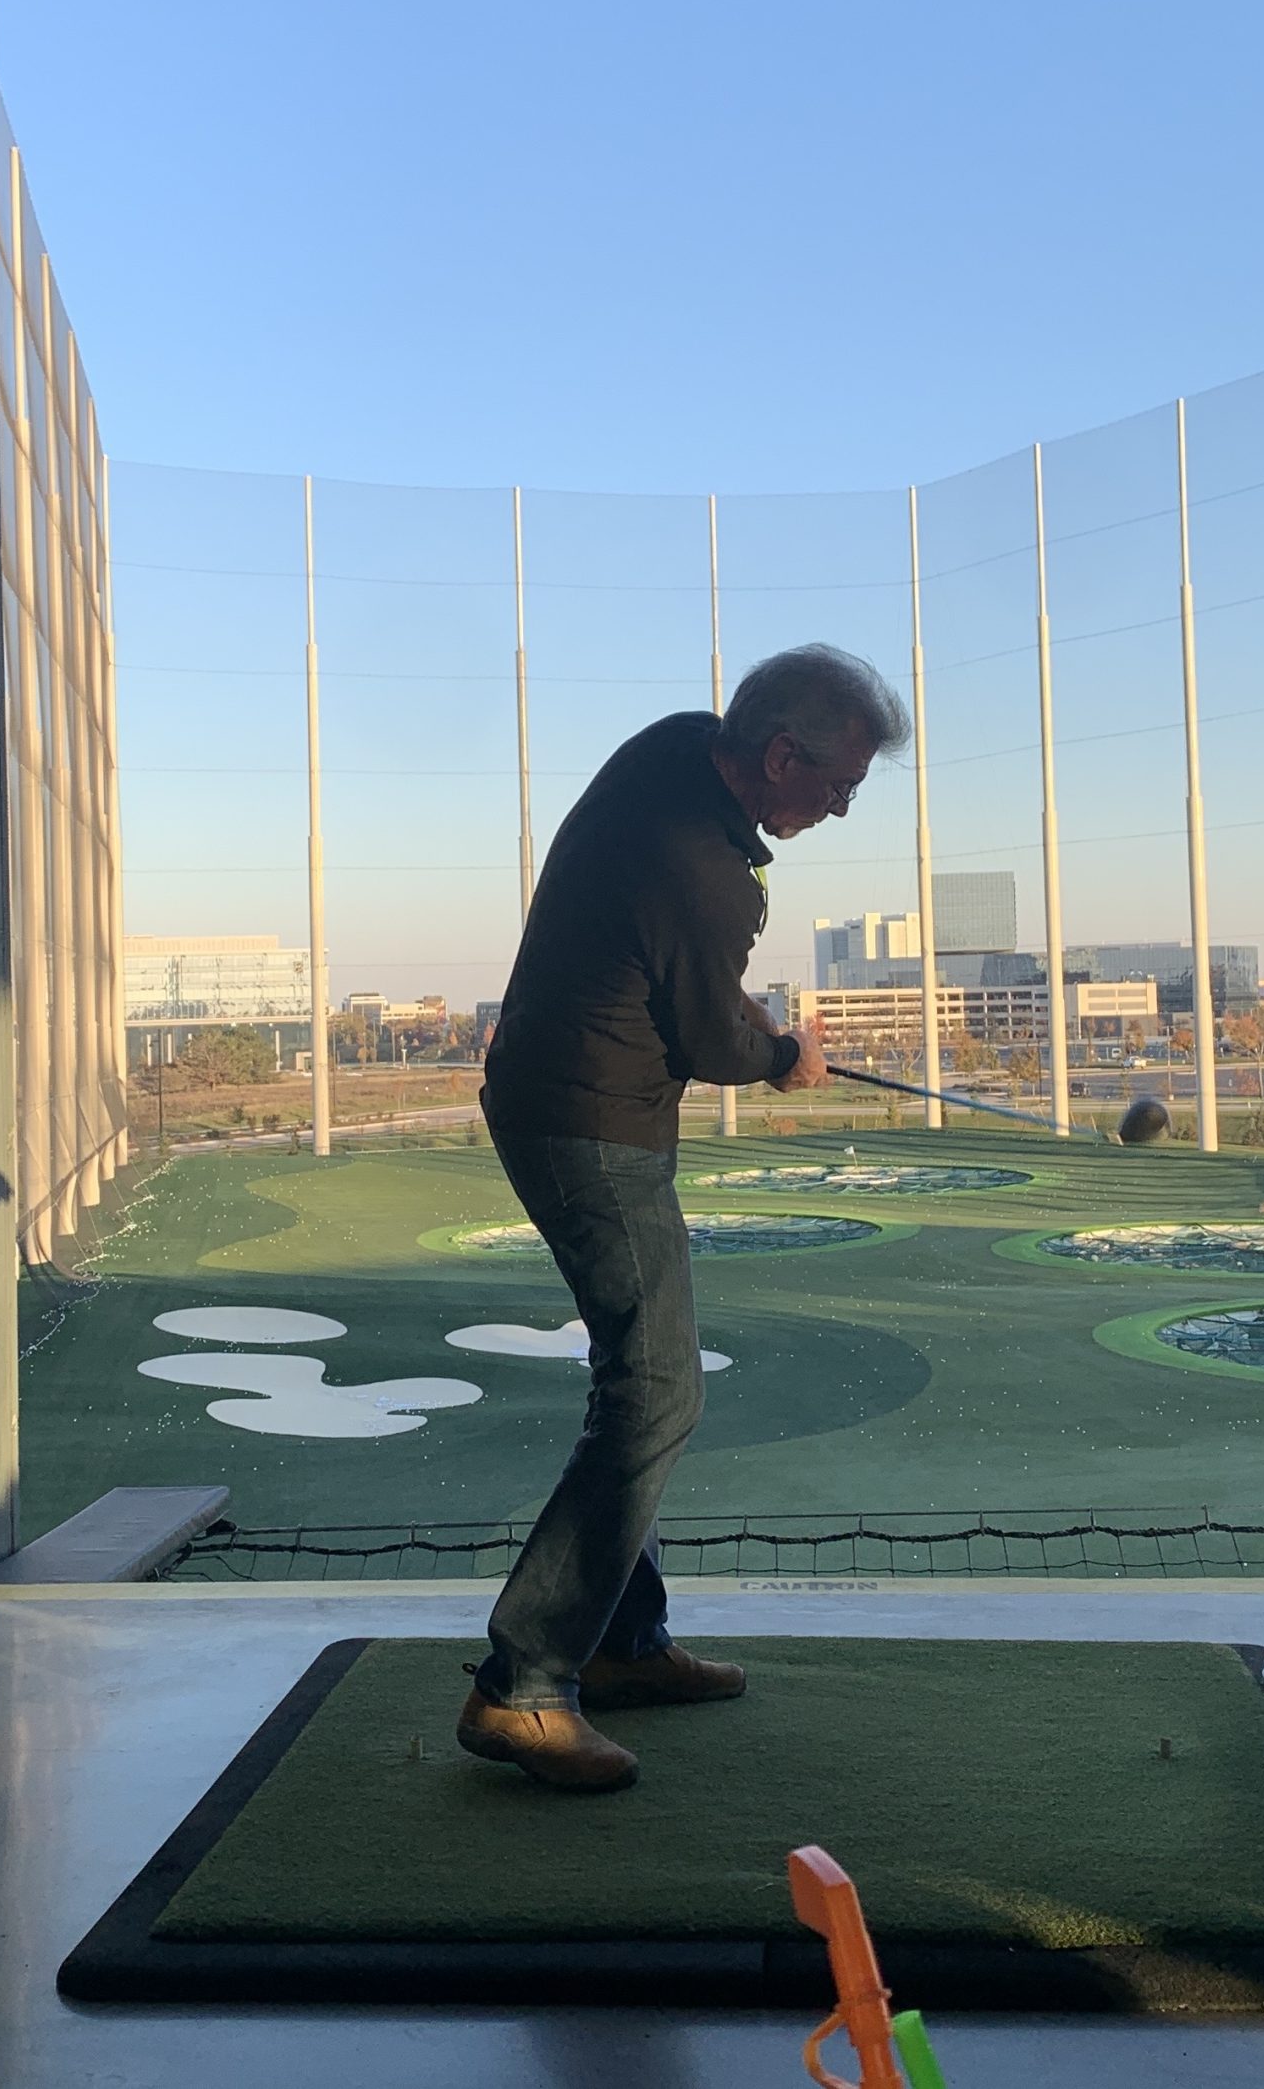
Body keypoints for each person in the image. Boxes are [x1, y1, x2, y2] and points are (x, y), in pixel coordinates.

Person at [455, 644, 911, 1791]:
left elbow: (677, 974)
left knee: (637, 1377)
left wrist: (758, 1027)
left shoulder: (670, 750)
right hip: (588, 1127)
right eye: (839, 784)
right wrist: (787, 1059)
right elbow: (711, 1040)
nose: (840, 807)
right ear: (779, 756)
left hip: (558, 1099)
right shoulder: (709, 873)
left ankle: (620, 1642)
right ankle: (524, 1684)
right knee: (656, 1388)